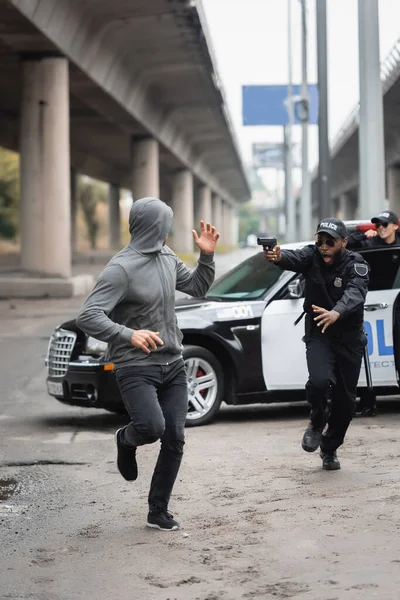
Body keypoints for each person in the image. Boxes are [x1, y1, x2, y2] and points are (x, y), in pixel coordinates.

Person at [76, 197, 219, 531]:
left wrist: (207, 255)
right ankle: (126, 440)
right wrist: (128, 334)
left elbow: (197, 286)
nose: (167, 232)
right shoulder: (120, 269)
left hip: (173, 363)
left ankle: (158, 509)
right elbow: (88, 315)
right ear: (153, 228)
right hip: (135, 366)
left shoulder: (168, 257)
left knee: (175, 437)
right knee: (151, 428)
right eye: (165, 226)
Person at [265, 218, 369, 471]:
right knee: (320, 381)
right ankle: (316, 422)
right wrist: (278, 256)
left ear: (343, 242)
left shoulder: (357, 264)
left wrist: (337, 312)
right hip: (319, 333)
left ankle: (330, 448)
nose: (323, 246)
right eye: (320, 240)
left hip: (348, 336)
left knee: (345, 401)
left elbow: (356, 292)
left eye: (330, 241)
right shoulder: (311, 255)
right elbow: (293, 258)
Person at [347, 209, 400, 417]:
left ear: (396, 226)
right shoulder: (370, 245)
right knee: (365, 358)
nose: (380, 229)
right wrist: (363, 235)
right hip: (374, 302)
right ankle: (368, 402)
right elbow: (344, 247)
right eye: (377, 225)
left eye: (385, 224)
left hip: (394, 304)